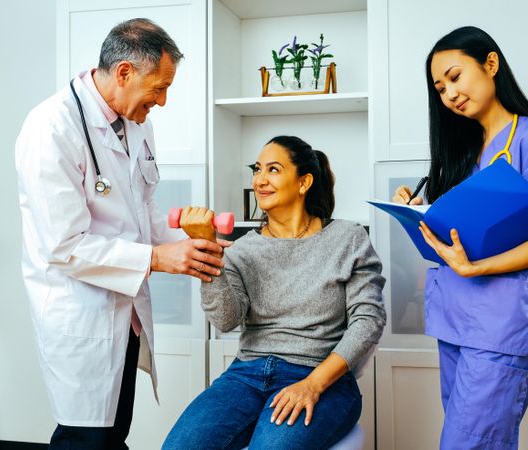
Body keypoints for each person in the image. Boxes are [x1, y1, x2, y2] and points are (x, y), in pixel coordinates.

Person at [15, 18, 226, 450]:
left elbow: (141, 209)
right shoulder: (51, 128)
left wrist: (186, 250)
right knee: (84, 438)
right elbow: (62, 246)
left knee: (113, 433)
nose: (163, 101)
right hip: (81, 311)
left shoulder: (137, 121)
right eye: (159, 87)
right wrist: (157, 259)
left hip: (125, 312)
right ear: (125, 72)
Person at [392, 26, 528, 449]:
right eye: (440, 88)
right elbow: (455, 230)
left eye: (455, 77)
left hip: (500, 327)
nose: (449, 94)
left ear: (490, 64)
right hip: (455, 322)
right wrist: (413, 207)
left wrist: (475, 267)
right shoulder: (463, 151)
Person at [162, 136, 387, 449]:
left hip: (321, 376)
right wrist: (211, 255)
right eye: (257, 170)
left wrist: (312, 384)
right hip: (246, 374)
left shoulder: (347, 239)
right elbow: (225, 320)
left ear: (304, 182)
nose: (260, 179)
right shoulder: (241, 250)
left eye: (273, 169)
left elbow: (368, 321)